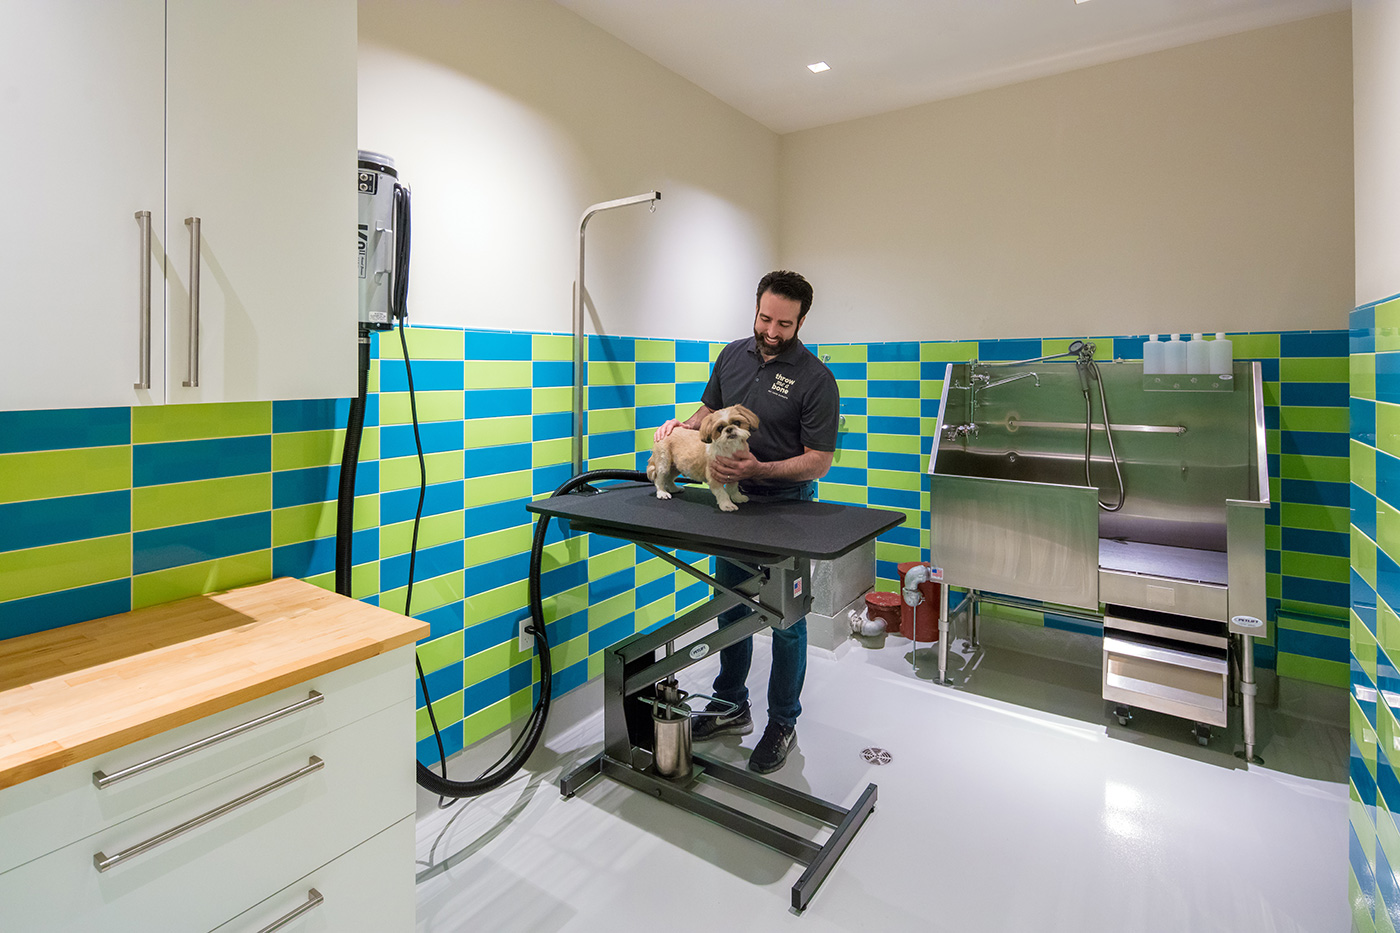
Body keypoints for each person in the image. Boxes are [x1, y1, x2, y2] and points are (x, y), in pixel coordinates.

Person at [653, 270, 839, 773]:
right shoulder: (732, 355)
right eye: (764, 318)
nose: (771, 331)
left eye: (784, 324)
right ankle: (729, 705)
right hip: (728, 503)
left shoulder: (816, 379)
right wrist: (681, 426)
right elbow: (708, 410)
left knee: (786, 620)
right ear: (755, 309)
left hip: (785, 506)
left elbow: (819, 460)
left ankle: (783, 721)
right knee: (731, 606)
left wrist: (759, 470)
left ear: (801, 322)